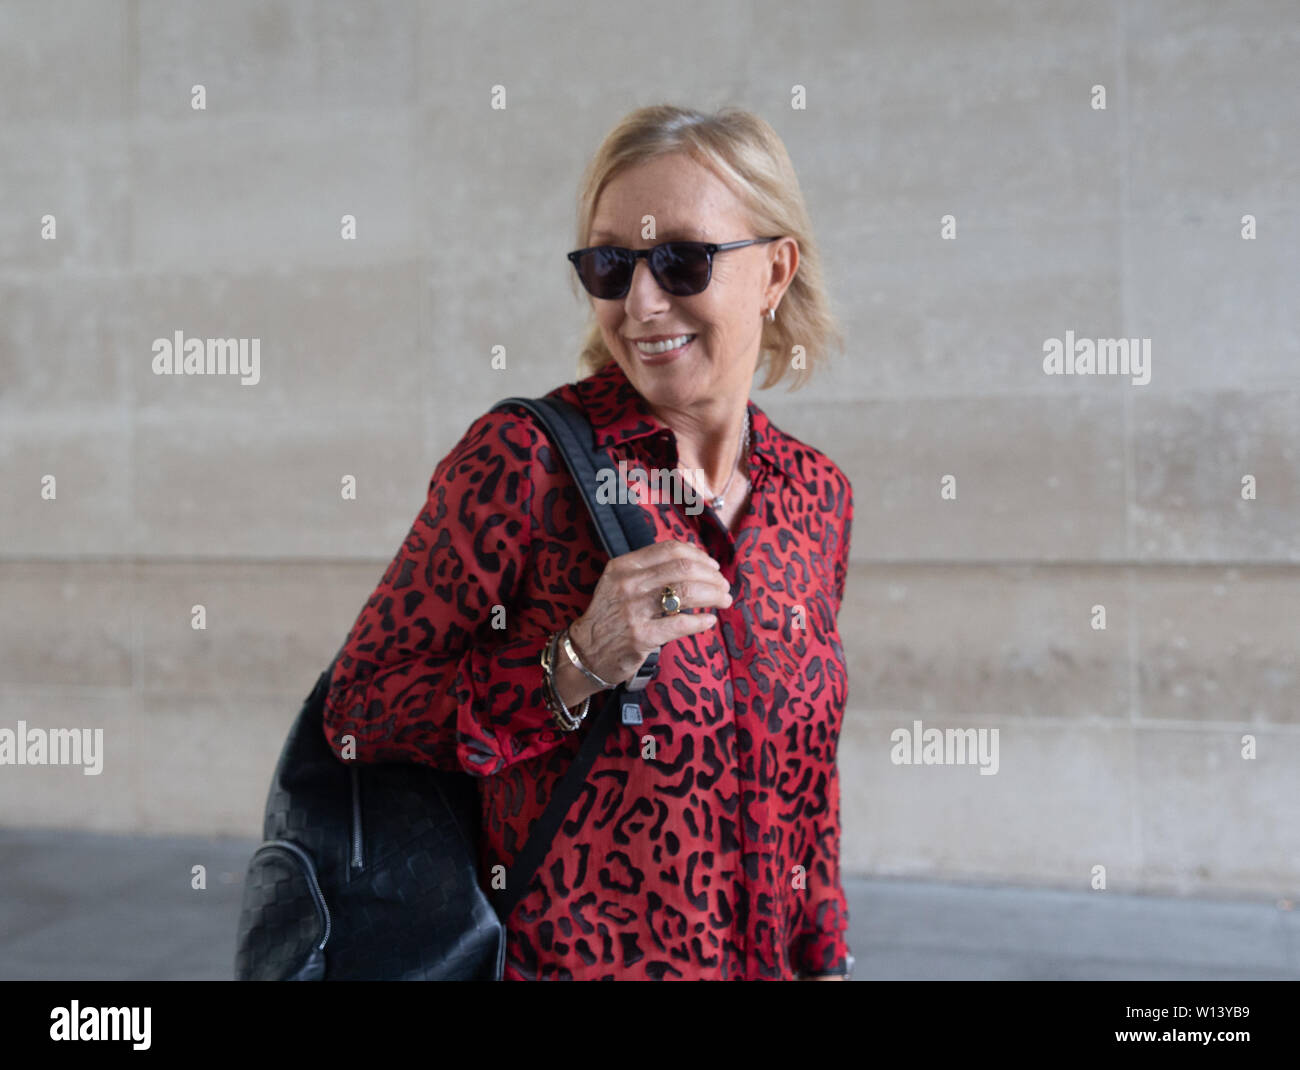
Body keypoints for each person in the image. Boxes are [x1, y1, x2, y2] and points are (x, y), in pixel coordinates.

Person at [323, 104, 853, 980]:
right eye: (612, 265)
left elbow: (811, 788)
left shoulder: (814, 496)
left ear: (774, 270)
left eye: (682, 259)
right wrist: (572, 660)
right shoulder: (522, 462)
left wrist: (826, 958)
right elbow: (357, 712)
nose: (642, 302)